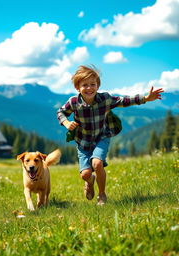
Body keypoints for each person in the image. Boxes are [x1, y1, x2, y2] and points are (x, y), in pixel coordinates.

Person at [57, 65, 164, 205]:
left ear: (98, 86)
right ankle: (90, 182)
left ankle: (102, 195)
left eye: (93, 84)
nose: (89, 88)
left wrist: (145, 98)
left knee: (97, 163)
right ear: (77, 87)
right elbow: (61, 112)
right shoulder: (73, 102)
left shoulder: (105, 99)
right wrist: (66, 122)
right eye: (85, 85)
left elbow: (124, 101)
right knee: (85, 174)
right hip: (83, 142)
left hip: (102, 137)